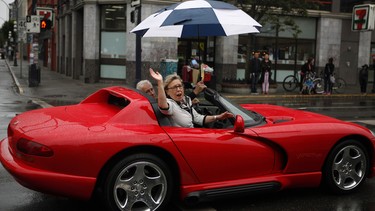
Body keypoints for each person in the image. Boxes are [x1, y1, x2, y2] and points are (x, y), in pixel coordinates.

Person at [149, 68, 234, 128]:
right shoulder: (170, 104)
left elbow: (198, 118)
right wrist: (160, 82)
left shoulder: (186, 101)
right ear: (167, 91)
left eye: (180, 86)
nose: (178, 89)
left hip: (192, 135)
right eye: (175, 87)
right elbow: (163, 105)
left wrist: (218, 117)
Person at [136, 79, 206, 104]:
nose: (151, 93)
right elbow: (173, 103)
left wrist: (189, 103)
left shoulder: (157, 99)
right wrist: (195, 92)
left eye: (151, 89)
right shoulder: (152, 104)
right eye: (147, 91)